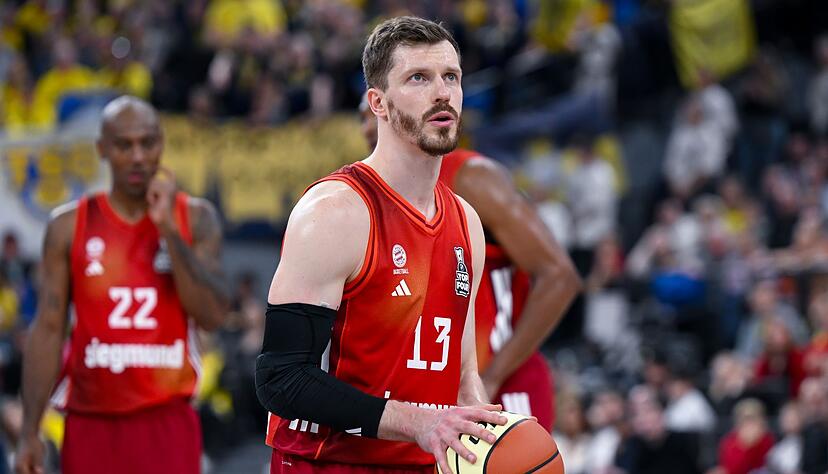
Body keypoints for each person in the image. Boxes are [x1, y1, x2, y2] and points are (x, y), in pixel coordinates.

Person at [255, 16, 509, 474]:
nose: (442, 92)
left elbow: (465, 374)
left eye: (451, 77)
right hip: (328, 465)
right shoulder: (336, 211)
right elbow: (281, 379)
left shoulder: (466, 221)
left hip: (419, 464)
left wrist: (487, 446)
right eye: (418, 78)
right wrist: (417, 423)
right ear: (378, 103)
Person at [15, 96, 229, 474]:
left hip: (167, 421)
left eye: (147, 143)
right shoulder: (69, 225)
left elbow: (212, 315)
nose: (137, 156)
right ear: (102, 148)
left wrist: (168, 231)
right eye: (123, 145)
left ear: (161, 143)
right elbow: (47, 330)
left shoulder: (195, 218)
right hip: (91, 422)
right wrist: (29, 431)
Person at [359, 99, 580, 431]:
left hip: (500, 388)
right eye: (365, 118)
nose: (369, 126)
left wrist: (491, 377)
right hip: (428, 396)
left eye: (379, 114)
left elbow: (559, 277)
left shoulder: (473, 178)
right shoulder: (371, 197)